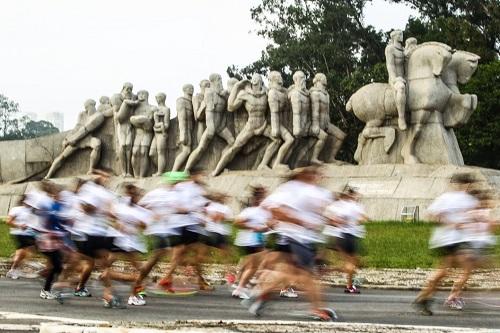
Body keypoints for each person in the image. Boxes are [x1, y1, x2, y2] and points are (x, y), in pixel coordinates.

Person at [243, 166, 335, 320]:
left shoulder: (316, 191)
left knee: (285, 273)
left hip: (303, 238)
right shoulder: (291, 189)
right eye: (314, 172)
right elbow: (272, 208)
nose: (318, 176)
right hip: (295, 238)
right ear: (303, 174)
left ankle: (259, 295)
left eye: (318, 173)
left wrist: (326, 221)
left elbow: (323, 213)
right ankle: (317, 309)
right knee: (307, 276)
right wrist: (297, 221)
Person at [413, 173, 479, 315]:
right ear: (465, 184)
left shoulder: (466, 200)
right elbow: (432, 215)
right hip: (447, 240)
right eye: (468, 184)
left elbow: (470, 217)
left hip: (458, 240)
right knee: (444, 272)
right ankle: (424, 298)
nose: (468, 187)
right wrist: (452, 223)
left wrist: (466, 223)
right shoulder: (450, 198)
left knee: (464, 267)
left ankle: (429, 298)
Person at [323, 188, 367, 293]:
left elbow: (329, 219)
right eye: (355, 195)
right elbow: (363, 218)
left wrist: (337, 222)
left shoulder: (338, 206)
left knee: (353, 263)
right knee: (351, 263)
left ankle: (348, 283)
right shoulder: (354, 206)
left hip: (342, 236)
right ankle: (348, 284)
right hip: (347, 236)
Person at [232, 185, 271, 299]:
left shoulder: (263, 211)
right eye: (263, 196)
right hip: (251, 241)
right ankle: (240, 288)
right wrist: (255, 228)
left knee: (250, 265)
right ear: (258, 198)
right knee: (253, 266)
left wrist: (267, 227)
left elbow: (268, 224)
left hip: (255, 240)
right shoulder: (251, 211)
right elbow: (237, 223)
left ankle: (241, 284)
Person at [5, 195, 40, 279]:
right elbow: (8, 221)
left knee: (28, 251)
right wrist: (19, 225)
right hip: (20, 233)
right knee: (25, 251)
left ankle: (16, 264)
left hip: (30, 234)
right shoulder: (17, 209)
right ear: (24, 201)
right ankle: (14, 269)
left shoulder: (33, 210)